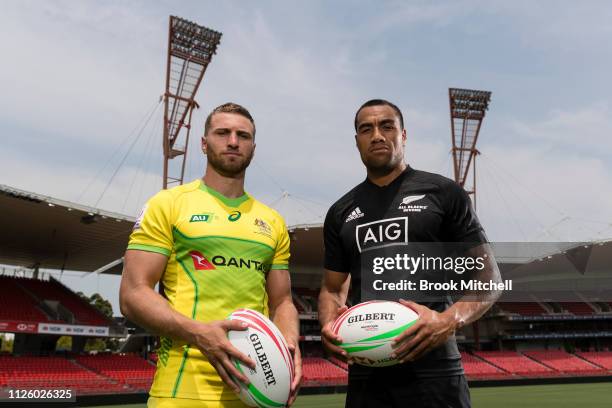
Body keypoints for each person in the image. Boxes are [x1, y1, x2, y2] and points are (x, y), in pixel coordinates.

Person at [318, 99, 501, 408]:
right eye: (367, 129)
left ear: (403, 135)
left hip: (435, 371)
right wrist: (328, 325)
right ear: (357, 141)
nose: (377, 135)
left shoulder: (443, 193)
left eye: (387, 126)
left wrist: (447, 321)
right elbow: (332, 288)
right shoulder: (340, 212)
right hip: (367, 371)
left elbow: (489, 277)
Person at [120, 102, 301, 408]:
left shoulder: (272, 221)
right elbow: (132, 294)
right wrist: (200, 333)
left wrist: (289, 344)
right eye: (223, 133)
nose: (233, 141)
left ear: (253, 147)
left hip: (258, 391)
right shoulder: (168, 204)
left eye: (243, 135)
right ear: (204, 144)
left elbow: (282, 302)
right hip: (182, 390)